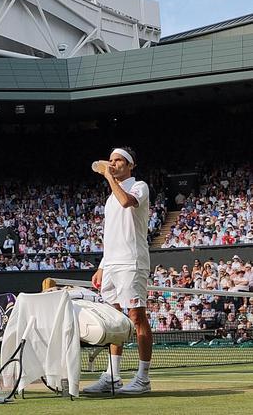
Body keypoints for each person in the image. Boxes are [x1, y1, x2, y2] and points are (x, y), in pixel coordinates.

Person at [84, 147, 153, 395]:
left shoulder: (140, 186)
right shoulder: (109, 199)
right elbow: (110, 236)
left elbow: (127, 202)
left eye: (119, 161)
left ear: (130, 165)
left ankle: (143, 379)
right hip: (112, 265)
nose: (113, 164)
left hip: (132, 262)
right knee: (114, 321)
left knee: (136, 317)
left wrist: (109, 177)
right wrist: (103, 266)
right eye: (111, 161)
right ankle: (113, 376)